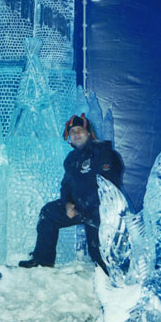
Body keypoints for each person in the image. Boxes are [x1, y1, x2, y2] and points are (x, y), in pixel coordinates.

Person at [19, 113, 123, 273]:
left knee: (101, 262)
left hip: (100, 211)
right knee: (48, 212)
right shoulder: (71, 159)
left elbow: (109, 187)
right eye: (72, 132)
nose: (76, 134)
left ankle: (112, 275)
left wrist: (87, 206)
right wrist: (68, 204)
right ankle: (42, 262)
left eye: (80, 130)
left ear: (89, 133)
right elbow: (65, 186)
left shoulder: (104, 153)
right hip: (78, 208)